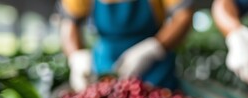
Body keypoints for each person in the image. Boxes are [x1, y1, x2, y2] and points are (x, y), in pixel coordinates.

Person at [60, 0, 193, 91]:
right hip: (105, 65)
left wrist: (153, 48)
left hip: (155, 70)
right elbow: (69, 23)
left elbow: (183, 16)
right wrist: (76, 56)